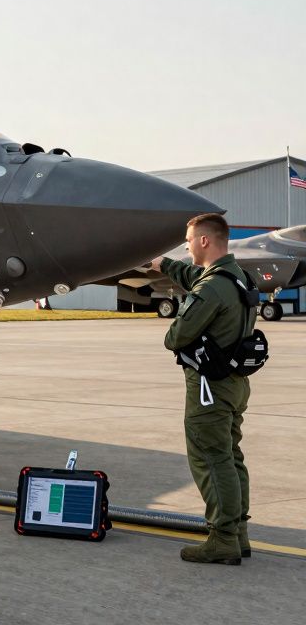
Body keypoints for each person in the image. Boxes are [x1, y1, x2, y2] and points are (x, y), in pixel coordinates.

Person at [148, 213, 254, 565]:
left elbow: (175, 337)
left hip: (210, 388)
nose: (188, 245)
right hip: (235, 386)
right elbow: (197, 275)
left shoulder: (209, 290)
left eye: (190, 240)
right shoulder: (235, 277)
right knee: (230, 457)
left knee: (211, 459)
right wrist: (163, 264)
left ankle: (222, 538)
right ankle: (238, 533)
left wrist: (179, 316)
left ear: (205, 241)